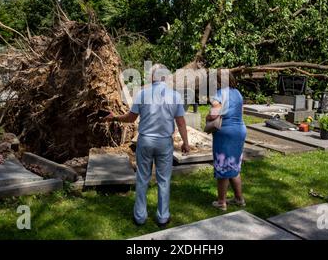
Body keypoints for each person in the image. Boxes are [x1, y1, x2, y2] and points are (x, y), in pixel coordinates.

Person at [103, 64, 190, 227]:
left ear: (152, 78)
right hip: (164, 142)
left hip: (145, 140)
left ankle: (140, 217)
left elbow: (130, 118)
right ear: (166, 77)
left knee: (142, 178)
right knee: (164, 180)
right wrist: (185, 142)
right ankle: (163, 217)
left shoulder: (142, 94)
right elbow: (181, 122)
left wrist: (114, 117)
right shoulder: (175, 96)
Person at [206, 69, 246, 211]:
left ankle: (221, 202)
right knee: (234, 166)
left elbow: (215, 111)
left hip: (226, 133)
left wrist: (208, 116)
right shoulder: (238, 93)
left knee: (223, 165)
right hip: (239, 130)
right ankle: (239, 198)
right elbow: (240, 113)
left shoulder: (219, 93)